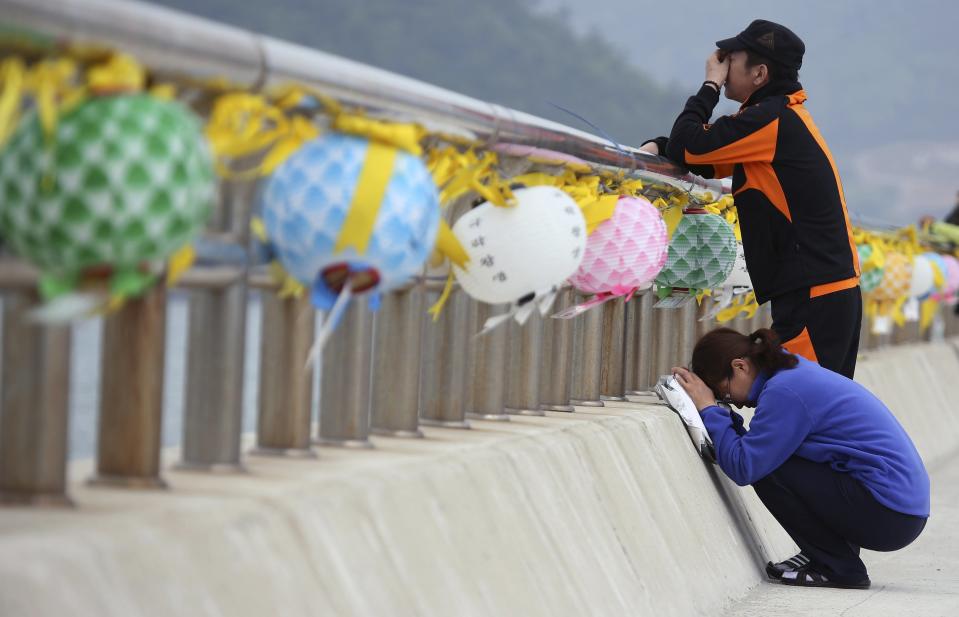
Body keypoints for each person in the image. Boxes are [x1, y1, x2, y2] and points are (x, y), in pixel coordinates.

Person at [642, 20, 862, 378]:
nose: (723, 64)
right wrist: (663, 146)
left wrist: (709, 85)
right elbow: (705, 157)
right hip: (819, 291)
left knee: (802, 408)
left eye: (732, 58)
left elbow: (690, 145)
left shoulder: (773, 120)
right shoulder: (774, 118)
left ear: (759, 73)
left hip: (815, 294)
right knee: (808, 407)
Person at [671, 327, 929, 589]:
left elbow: (744, 466)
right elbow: (754, 446)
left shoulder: (784, 391)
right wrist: (720, 415)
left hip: (890, 514)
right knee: (772, 458)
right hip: (900, 508)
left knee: (769, 470)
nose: (733, 403)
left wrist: (708, 409)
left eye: (724, 393)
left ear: (739, 366)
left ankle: (839, 568)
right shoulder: (789, 374)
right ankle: (827, 556)